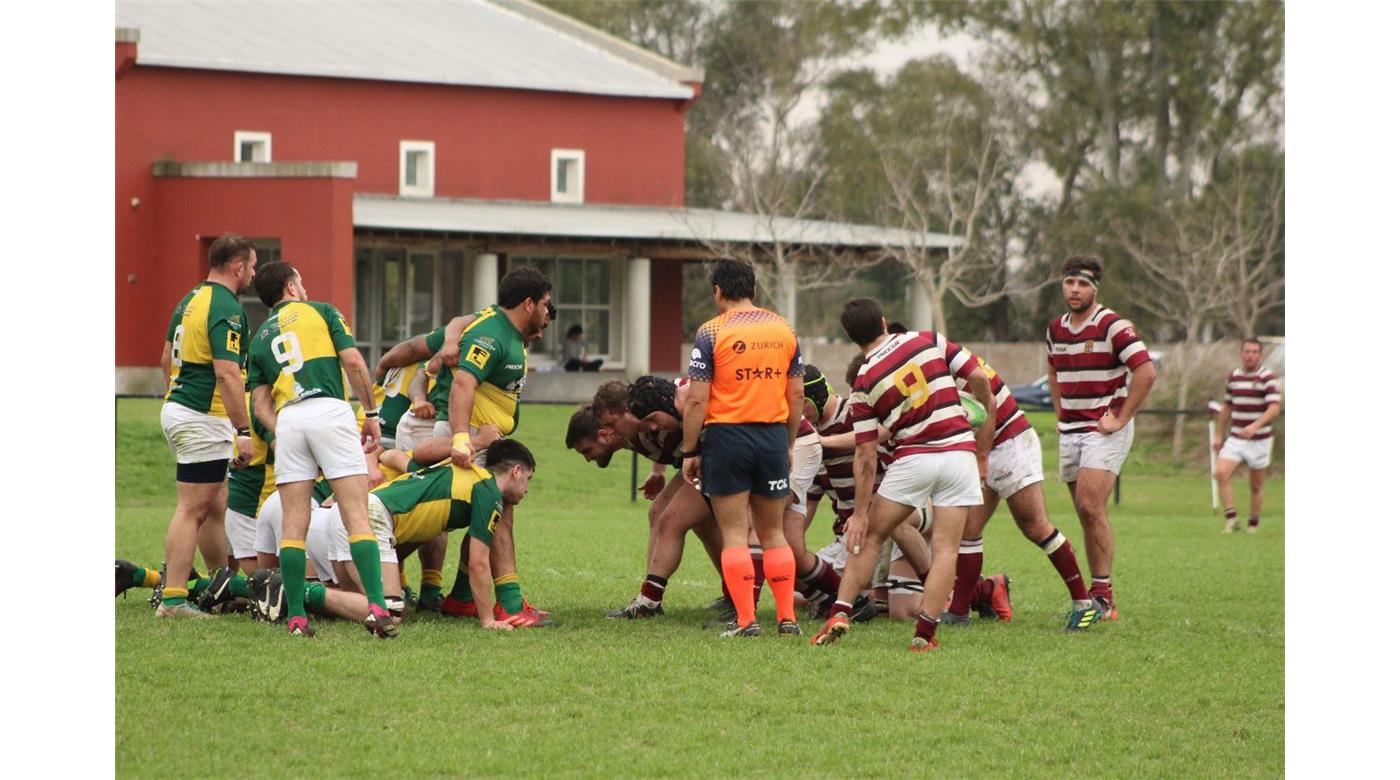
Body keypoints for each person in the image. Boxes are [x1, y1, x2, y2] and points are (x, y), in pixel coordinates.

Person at [809, 298, 996, 652]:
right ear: (883, 321)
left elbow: (865, 453)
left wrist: (860, 513)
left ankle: (840, 612)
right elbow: (975, 376)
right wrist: (982, 414)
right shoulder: (927, 340)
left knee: (872, 535)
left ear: (851, 337)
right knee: (945, 550)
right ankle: (924, 637)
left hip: (914, 458)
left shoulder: (863, 380)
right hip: (958, 454)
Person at [246, 261, 396, 638]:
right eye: (302, 280)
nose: (306, 287)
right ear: (291, 287)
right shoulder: (324, 312)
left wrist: (279, 428)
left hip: (291, 419)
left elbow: (258, 401)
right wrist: (372, 412)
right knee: (356, 513)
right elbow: (353, 362)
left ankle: (296, 617)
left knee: (293, 525)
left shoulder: (260, 336)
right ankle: (376, 608)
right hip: (329, 409)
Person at [919, 331, 1103, 631]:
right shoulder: (933, 355)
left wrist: (981, 458)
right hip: (986, 446)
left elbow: (988, 403)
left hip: (1009, 441)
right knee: (969, 529)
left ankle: (1085, 603)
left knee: (1035, 525)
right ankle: (960, 611)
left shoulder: (937, 354)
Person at [680, 259, 805, 638]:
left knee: (735, 534)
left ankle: (747, 621)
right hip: (771, 436)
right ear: (753, 288)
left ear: (718, 290)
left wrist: (689, 451)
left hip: (727, 437)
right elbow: (796, 392)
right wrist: (788, 441)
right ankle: (787, 619)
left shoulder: (711, 331)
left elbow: (697, 401)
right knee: (774, 533)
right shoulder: (784, 329)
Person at [440, 267, 555, 626]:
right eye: (546, 305)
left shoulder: (508, 330)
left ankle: (461, 598)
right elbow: (462, 383)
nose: (548, 313)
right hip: (473, 438)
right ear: (528, 303)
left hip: (484, 437)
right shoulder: (493, 334)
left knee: (485, 516)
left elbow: (458, 322)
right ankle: (510, 603)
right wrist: (463, 438)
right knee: (500, 513)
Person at [1045, 255, 1156, 621]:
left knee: (1091, 507)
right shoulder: (1055, 329)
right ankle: (1098, 591)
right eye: (1069, 282)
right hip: (1071, 429)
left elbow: (1146, 372)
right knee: (1086, 512)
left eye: (1083, 284)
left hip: (1102, 428)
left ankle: (1103, 597)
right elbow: (1053, 367)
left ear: (1095, 288)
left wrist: (1121, 418)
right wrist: (1060, 409)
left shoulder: (1112, 325)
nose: (1075, 289)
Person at [154, 234, 258, 618]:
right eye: (252, 265)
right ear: (237, 267)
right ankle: (174, 600)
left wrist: (179, 398)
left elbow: (166, 358)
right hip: (201, 416)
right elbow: (229, 374)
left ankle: (221, 585)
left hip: (183, 409)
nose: (253, 273)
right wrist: (243, 432)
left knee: (216, 505)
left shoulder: (190, 299)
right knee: (192, 509)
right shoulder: (226, 307)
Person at [1213, 338, 1281, 534]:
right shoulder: (1234, 377)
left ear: (1260, 355)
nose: (1250, 355)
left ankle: (1253, 524)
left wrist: (1255, 426)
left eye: (1254, 352)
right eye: (1247, 352)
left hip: (1260, 440)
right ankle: (1232, 520)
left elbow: (1274, 408)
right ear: (1241, 354)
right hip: (1236, 438)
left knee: (1256, 485)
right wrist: (1218, 435)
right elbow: (1227, 406)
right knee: (1221, 473)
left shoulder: (1267, 377)